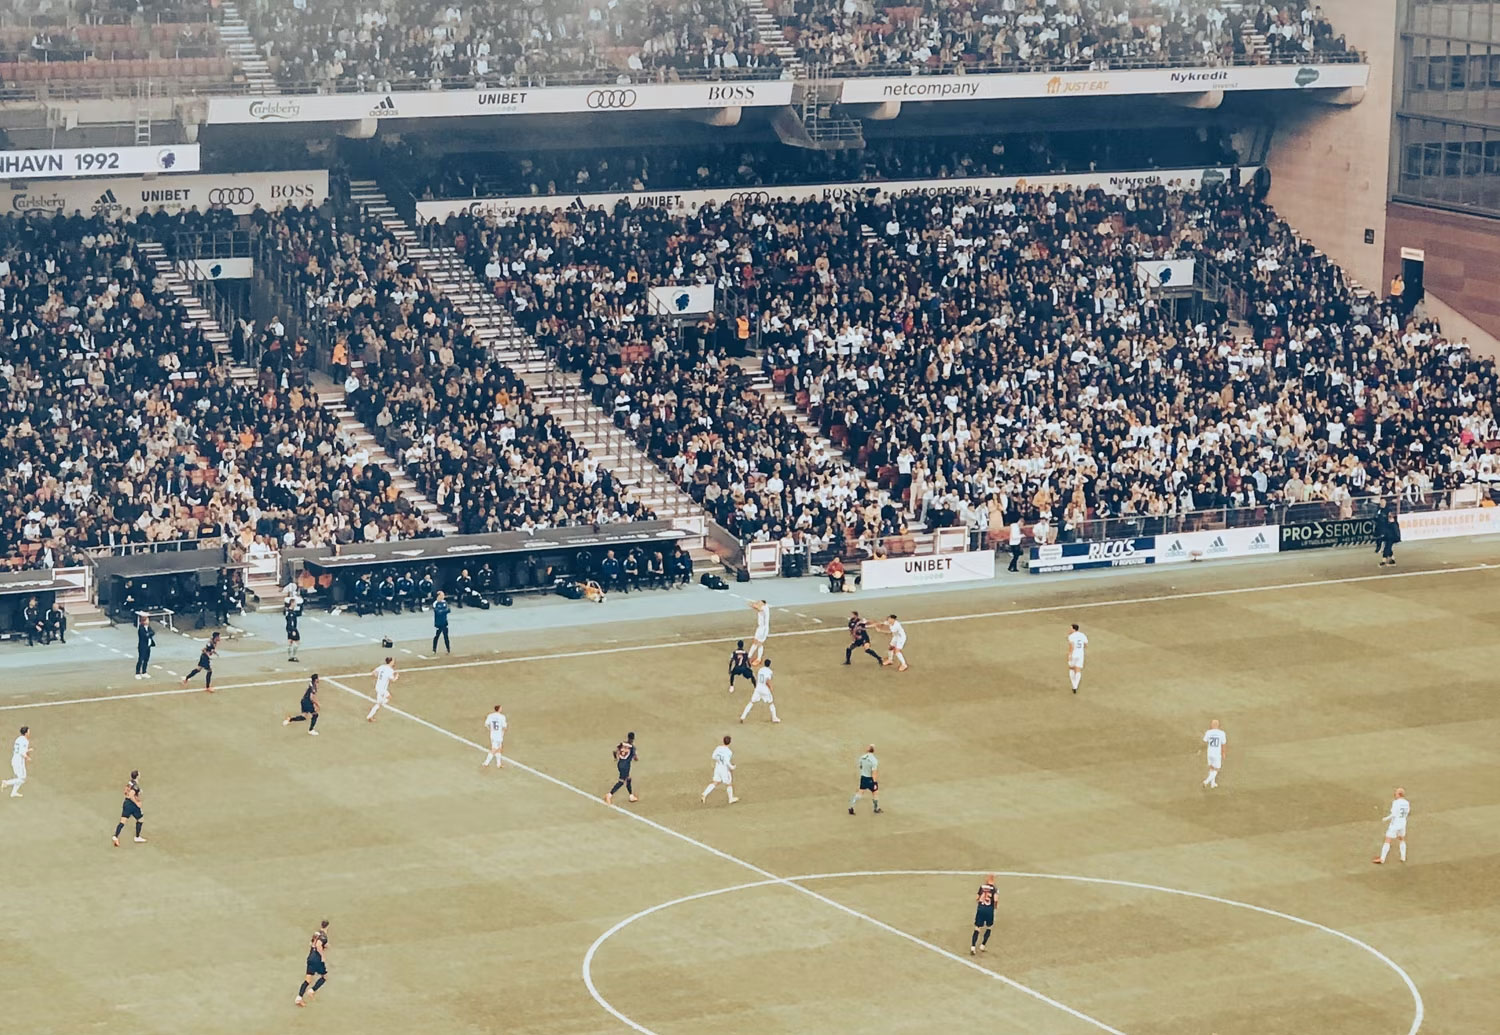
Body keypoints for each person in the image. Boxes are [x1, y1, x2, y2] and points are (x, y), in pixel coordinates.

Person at [294, 920, 331, 1007]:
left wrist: (324, 946)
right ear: (328, 927)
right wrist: (322, 956)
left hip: (310, 958)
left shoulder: (316, 933)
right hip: (317, 960)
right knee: (324, 977)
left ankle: (298, 998)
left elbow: (311, 943)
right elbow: (318, 945)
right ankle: (312, 991)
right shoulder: (324, 937)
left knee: (308, 980)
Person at [1373, 787, 1410, 865]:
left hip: (1395, 824)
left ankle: (1382, 859)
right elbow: (1407, 812)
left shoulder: (1396, 803)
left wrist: (1385, 819)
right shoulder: (1406, 803)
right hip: (1403, 823)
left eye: (1396, 793)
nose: (1395, 794)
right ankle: (1403, 857)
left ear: (1399, 794)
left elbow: (1393, 814)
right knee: (1401, 839)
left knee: (1388, 839)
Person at [739, 657, 780, 724]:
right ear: (769, 664)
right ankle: (774, 718)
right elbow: (767, 681)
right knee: (771, 703)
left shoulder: (760, 670)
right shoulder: (769, 671)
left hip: (758, 688)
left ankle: (743, 716)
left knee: (751, 702)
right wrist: (771, 687)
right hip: (765, 689)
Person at [701, 735, 738, 804]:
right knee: (729, 783)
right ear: (730, 742)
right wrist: (732, 767)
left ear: (723, 741)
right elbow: (727, 761)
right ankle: (731, 799)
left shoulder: (718, 748)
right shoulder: (729, 752)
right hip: (724, 769)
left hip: (718, 767)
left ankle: (704, 794)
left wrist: (718, 760)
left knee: (716, 782)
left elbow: (713, 756)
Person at [112, 769, 146, 846]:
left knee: (122, 821)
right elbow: (131, 795)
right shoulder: (135, 786)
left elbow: (126, 791)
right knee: (140, 819)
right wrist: (137, 803)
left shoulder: (130, 782)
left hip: (126, 803)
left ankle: (115, 836)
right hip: (132, 805)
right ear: (137, 776)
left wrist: (138, 791)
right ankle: (137, 837)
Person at [605, 731, 638, 804]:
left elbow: (614, 752)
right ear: (633, 739)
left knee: (628, 779)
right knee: (621, 782)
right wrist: (635, 758)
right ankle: (609, 795)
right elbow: (635, 758)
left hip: (620, 763)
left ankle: (631, 796)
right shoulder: (632, 748)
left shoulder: (622, 744)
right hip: (626, 766)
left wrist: (615, 758)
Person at [848, 744, 881, 815]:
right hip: (870, 779)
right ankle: (876, 808)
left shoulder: (862, 758)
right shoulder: (874, 760)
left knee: (860, 793)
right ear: (873, 750)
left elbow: (861, 767)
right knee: (875, 793)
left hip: (863, 778)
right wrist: (874, 783)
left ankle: (851, 806)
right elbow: (874, 773)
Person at [970, 875, 998, 954]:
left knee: (977, 928)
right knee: (989, 927)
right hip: (989, 910)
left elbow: (977, 898)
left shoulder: (982, 887)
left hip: (981, 909)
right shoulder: (995, 889)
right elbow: (995, 900)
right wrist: (995, 906)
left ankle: (973, 947)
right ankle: (983, 945)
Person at [2, 725, 30, 798]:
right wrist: (27, 758)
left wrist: (28, 750)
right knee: (22, 779)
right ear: (26, 733)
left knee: (20, 777)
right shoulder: (25, 741)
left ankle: (13, 793)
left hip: (15, 760)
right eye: (28, 731)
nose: (29, 732)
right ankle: (6, 782)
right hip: (19, 762)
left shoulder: (18, 739)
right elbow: (22, 752)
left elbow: (19, 749)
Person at [366, 656, 397, 721]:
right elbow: (393, 680)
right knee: (387, 698)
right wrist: (397, 676)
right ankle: (372, 713)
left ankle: (371, 713)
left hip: (378, 686)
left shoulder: (382, 666)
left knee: (387, 698)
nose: (394, 662)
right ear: (390, 662)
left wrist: (378, 676)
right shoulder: (390, 670)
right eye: (393, 661)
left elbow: (373, 672)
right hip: (382, 689)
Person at [1202, 720, 1227, 789]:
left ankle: (1213, 783)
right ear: (1218, 725)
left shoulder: (1208, 732)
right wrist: (1223, 753)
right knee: (1217, 769)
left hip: (1209, 753)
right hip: (1217, 754)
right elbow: (1223, 744)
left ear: (1212, 725)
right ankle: (1206, 781)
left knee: (1211, 768)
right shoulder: (1222, 733)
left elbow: (1205, 740)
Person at [1066, 623, 1088, 694]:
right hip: (1081, 654)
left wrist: (1069, 655)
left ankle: (1074, 685)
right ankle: (1075, 686)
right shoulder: (1082, 635)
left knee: (1071, 668)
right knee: (1078, 669)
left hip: (1074, 654)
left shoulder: (1071, 636)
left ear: (1073, 629)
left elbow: (1071, 647)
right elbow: (1085, 645)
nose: (1069, 629)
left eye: (1070, 628)